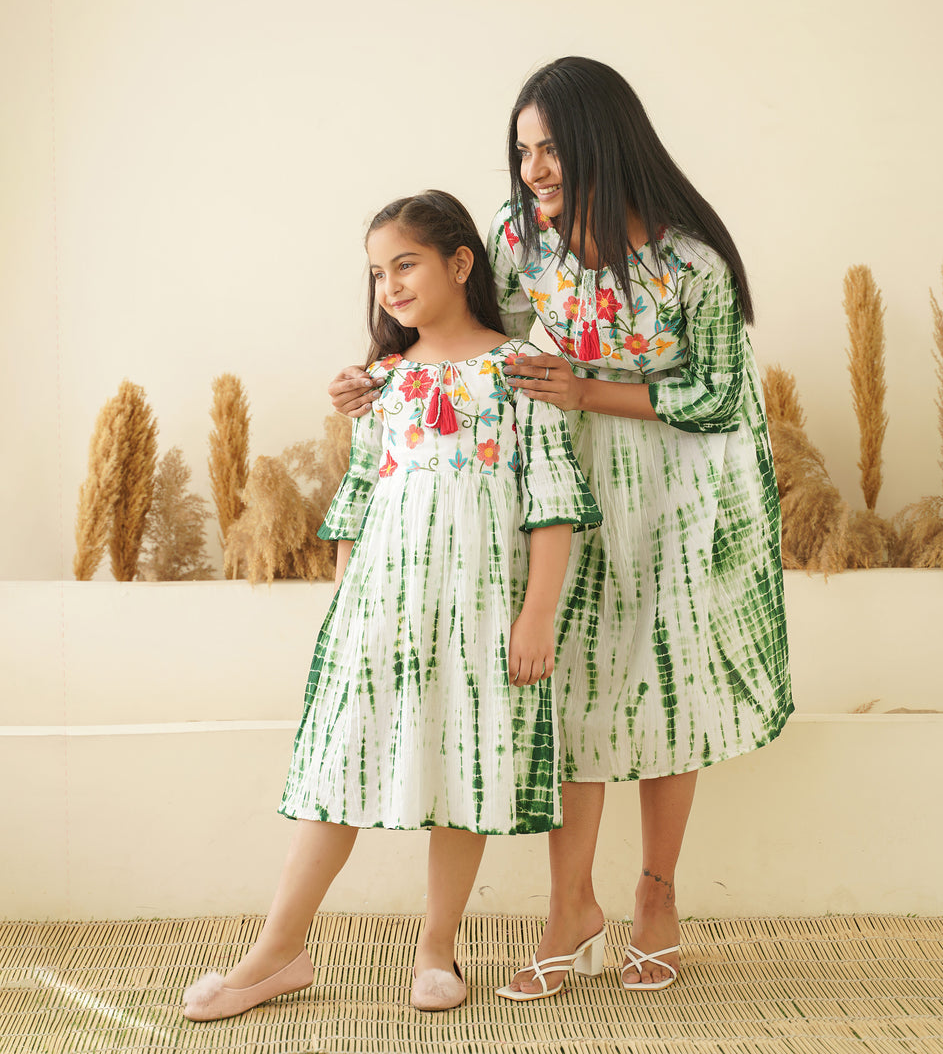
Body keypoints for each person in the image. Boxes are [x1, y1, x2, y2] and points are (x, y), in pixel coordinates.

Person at [329, 58, 792, 999]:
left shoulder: (689, 261)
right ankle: (569, 909)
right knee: (569, 689)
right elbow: (458, 323)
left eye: (550, 147)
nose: (533, 166)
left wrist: (589, 389)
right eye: (523, 148)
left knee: (669, 693)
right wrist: (380, 377)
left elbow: (718, 394)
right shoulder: (514, 238)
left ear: (601, 140)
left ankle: (656, 895)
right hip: (552, 479)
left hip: (670, 485)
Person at [183, 190, 601, 1020]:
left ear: (458, 262)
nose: (389, 286)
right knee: (339, 769)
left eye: (404, 264)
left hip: (482, 611)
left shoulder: (517, 375)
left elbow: (552, 503)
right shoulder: (381, 383)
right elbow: (359, 498)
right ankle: (278, 950)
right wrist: (347, 603)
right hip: (383, 612)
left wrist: (536, 616)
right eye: (377, 273)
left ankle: (436, 948)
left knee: (462, 768)